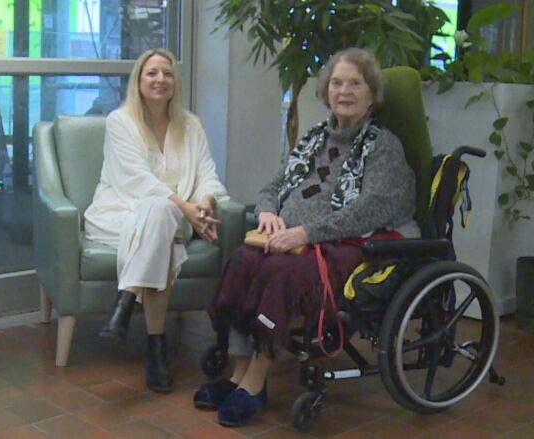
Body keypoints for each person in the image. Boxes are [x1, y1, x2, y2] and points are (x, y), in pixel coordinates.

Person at [193, 48, 419, 427]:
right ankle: (237, 373)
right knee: (242, 260)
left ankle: (254, 384)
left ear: (371, 92)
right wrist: (267, 212)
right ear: (326, 91)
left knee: (282, 274)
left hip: (351, 243)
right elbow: (274, 185)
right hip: (291, 236)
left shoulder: (383, 147)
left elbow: (367, 211)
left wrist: (306, 232)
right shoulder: (315, 138)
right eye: (336, 83)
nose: (344, 91)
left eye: (354, 83)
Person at [84, 48, 228, 394]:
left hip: (173, 217)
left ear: (175, 83)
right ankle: (156, 348)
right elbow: (137, 180)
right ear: (138, 79)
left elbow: (207, 174)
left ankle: (127, 299)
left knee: (161, 215)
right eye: (152, 73)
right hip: (117, 214)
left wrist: (204, 204)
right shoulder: (120, 121)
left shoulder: (190, 126)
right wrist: (186, 209)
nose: (160, 79)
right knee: (159, 218)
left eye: (167, 73)